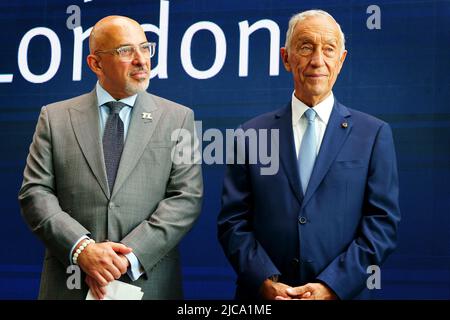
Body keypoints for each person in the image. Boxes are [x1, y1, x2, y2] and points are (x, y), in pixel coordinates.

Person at [218, 9, 400, 300]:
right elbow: (233, 222)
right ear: (286, 58)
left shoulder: (374, 133)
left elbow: (382, 224)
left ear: (341, 61)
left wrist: (331, 286)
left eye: (329, 49)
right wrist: (264, 280)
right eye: (305, 47)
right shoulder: (249, 133)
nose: (318, 60)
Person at [18, 15, 203, 300]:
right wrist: (82, 249)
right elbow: (35, 193)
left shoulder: (179, 118)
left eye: (145, 47)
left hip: (149, 285)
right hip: (69, 286)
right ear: (95, 63)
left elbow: (186, 198)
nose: (141, 60)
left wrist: (125, 259)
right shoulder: (54, 117)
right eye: (126, 51)